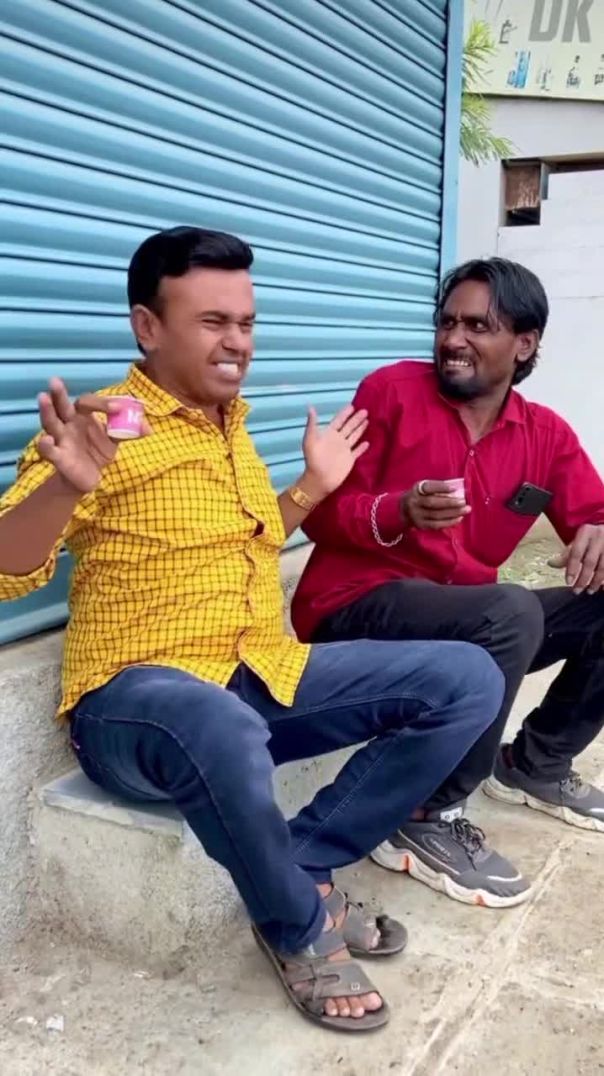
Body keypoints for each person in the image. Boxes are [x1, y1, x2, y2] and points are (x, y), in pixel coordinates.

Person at [0, 228, 504, 1032]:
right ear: (147, 326)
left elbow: (248, 541)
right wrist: (64, 489)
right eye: (212, 322)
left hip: (255, 673)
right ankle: (296, 926)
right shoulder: (104, 428)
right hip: (135, 704)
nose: (236, 342)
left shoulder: (228, 425)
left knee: (467, 678)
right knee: (217, 721)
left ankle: (303, 861)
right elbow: (6, 568)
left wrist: (312, 486)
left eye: (245, 322)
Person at [292, 257, 604, 910]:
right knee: (510, 611)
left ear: (524, 344)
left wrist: (600, 532)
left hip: (464, 618)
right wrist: (396, 511)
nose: (453, 339)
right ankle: (428, 811)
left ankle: (535, 764)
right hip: (354, 608)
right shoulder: (391, 393)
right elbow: (318, 512)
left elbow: (593, 512)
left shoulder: (545, 435)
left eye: (477, 326)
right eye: (447, 322)